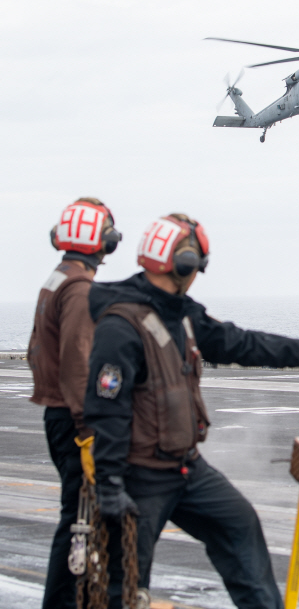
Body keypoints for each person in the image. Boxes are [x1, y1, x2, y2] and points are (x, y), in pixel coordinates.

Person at [84, 212, 299, 609]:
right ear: (185, 263)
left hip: (186, 469)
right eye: (197, 265)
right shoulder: (121, 326)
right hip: (139, 478)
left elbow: (237, 342)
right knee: (125, 583)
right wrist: (110, 485)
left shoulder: (180, 314)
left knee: (240, 526)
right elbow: (106, 410)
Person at [27, 197, 123, 609]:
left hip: (57, 414)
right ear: (102, 242)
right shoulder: (80, 289)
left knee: (76, 521)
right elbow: (77, 365)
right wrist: (89, 429)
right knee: (79, 525)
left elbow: (36, 352)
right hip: (73, 421)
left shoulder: (57, 278)